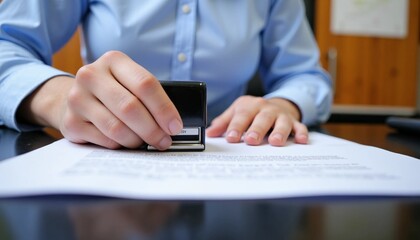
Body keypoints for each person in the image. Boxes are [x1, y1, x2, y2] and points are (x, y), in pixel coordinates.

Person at [0, 0, 332, 151]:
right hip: (105, 145)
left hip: (228, 149)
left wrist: (285, 105)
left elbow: (305, 75)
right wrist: (59, 100)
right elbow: (6, 46)